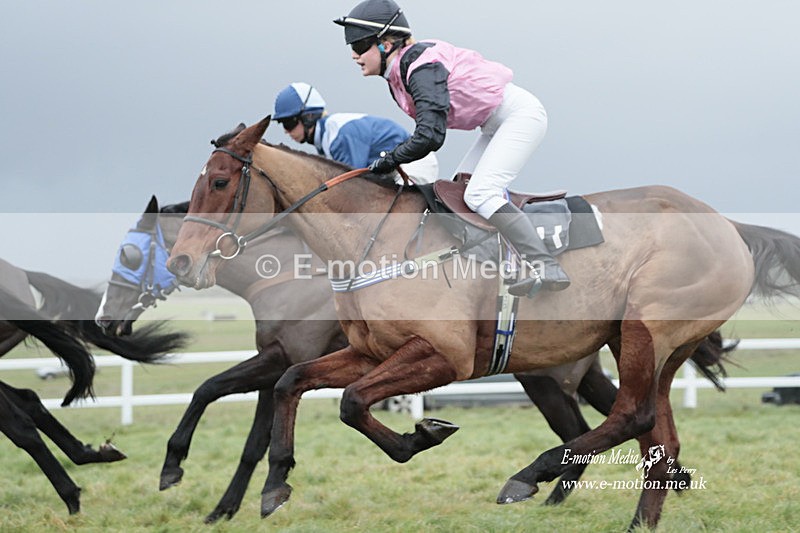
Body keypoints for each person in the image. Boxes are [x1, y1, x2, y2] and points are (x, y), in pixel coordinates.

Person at [334, 0, 570, 296]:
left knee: (480, 193)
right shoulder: (399, 72)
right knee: (454, 194)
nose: (354, 54)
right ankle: (499, 266)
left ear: (386, 43)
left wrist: (388, 160)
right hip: (495, 123)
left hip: (519, 116)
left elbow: (430, 137)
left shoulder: (420, 67)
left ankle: (544, 263)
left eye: (359, 44)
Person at [272, 81, 438, 185]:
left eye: (289, 123)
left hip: (413, 164)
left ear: (308, 116)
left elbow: (353, 186)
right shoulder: (325, 139)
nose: (286, 131)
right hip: (394, 169)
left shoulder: (338, 137)